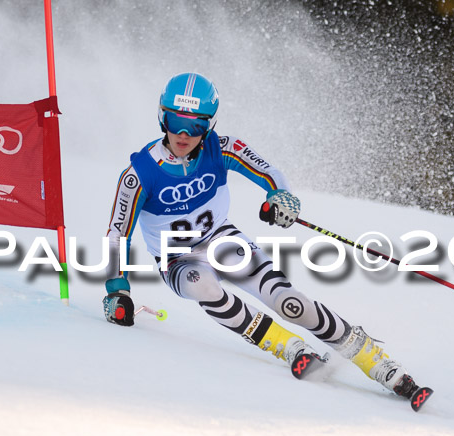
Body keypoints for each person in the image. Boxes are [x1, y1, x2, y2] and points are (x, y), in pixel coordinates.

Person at [102, 72, 421, 399]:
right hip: (177, 260)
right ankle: (288, 348)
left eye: (196, 126)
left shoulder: (221, 148)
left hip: (223, 240)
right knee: (204, 286)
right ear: (161, 117)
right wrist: (117, 289)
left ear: (209, 125)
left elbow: (269, 172)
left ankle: (378, 363)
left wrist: (279, 197)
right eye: (174, 120)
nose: (183, 134)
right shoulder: (139, 174)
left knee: (290, 303)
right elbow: (117, 235)